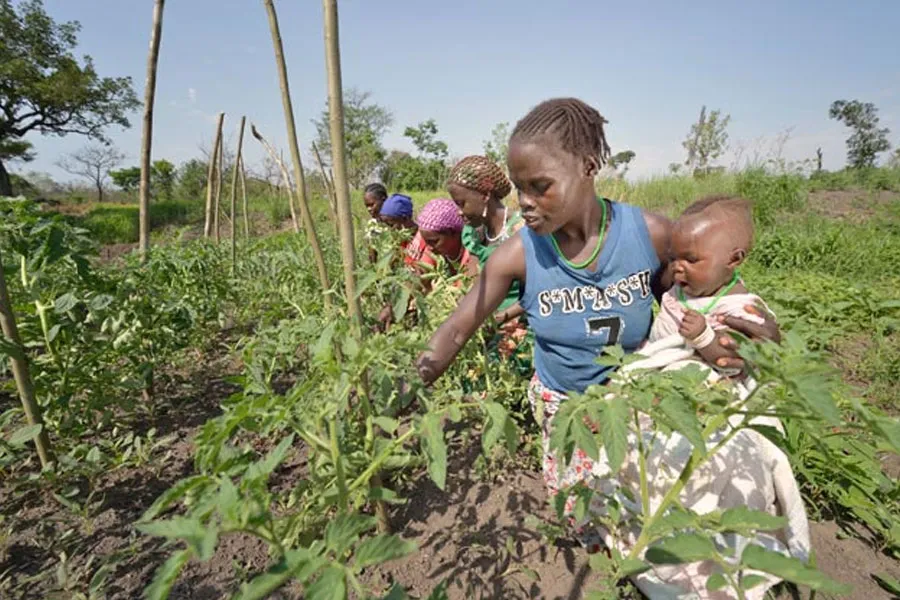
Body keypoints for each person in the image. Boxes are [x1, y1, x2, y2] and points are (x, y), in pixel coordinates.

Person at [413, 98, 780, 548]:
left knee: (648, 519)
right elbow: (454, 330)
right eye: (518, 189)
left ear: (588, 166)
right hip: (564, 408)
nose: (525, 204)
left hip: (638, 402)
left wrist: (748, 325)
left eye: (540, 186)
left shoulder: (649, 233)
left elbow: (700, 293)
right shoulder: (519, 253)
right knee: (584, 525)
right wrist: (405, 388)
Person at [647, 194, 774, 374]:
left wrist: (703, 337)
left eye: (690, 259)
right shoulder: (685, 290)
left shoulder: (738, 309)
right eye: (673, 258)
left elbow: (732, 359)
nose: (677, 267)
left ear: (734, 259)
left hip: (704, 380)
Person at [447, 155, 529, 362]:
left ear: (485, 195)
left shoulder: (522, 230)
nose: (458, 212)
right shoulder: (473, 233)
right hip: (488, 324)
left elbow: (538, 293)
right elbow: (471, 283)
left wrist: (500, 318)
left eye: (462, 203)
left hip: (523, 323)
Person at [405, 198, 479, 280]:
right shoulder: (433, 249)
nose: (429, 247)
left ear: (453, 233)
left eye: (434, 241)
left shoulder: (472, 253)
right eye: (426, 242)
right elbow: (421, 273)